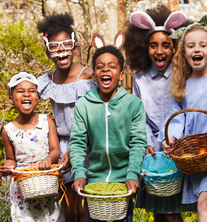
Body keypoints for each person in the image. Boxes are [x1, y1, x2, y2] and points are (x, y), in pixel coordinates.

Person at [70, 32, 147, 222]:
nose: (106, 70)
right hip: (95, 183)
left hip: (124, 181)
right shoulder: (83, 105)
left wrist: (132, 174)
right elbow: (78, 143)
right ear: (94, 76)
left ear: (121, 75)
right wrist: (79, 174)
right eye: (100, 67)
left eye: (112, 67)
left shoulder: (133, 104)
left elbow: (138, 143)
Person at [124, 5, 190, 221]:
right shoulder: (140, 78)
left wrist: (172, 139)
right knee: (158, 212)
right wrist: (144, 142)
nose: (159, 51)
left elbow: (183, 112)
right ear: (145, 47)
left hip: (175, 146)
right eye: (153, 45)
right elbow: (138, 114)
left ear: (175, 48)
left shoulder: (182, 75)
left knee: (171, 213)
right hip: (151, 151)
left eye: (166, 46)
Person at [159, 16, 207, 221]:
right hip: (196, 156)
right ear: (184, 53)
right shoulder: (182, 86)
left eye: (202, 45)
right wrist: (170, 138)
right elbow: (175, 118)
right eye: (191, 46)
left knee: (206, 201)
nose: (197, 49)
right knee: (206, 203)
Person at [36, 13, 96, 222]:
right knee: (68, 209)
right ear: (47, 52)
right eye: (55, 47)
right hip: (59, 147)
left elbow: (95, 117)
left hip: (85, 143)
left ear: (75, 48)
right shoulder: (47, 80)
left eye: (66, 45)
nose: (61, 51)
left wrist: (75, 150)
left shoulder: (88, 77)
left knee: (83, 206)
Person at [0, 72, 63, 221]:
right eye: (20, 91)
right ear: (11, 99)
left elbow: (55, 150)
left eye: (32, 91)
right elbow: (10, 158)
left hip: (46, 181)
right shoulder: (8, 130)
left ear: (38, 99)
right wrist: (7, 167)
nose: (26, 94)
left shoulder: (46, 121)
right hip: (23, 187)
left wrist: (48, 159)